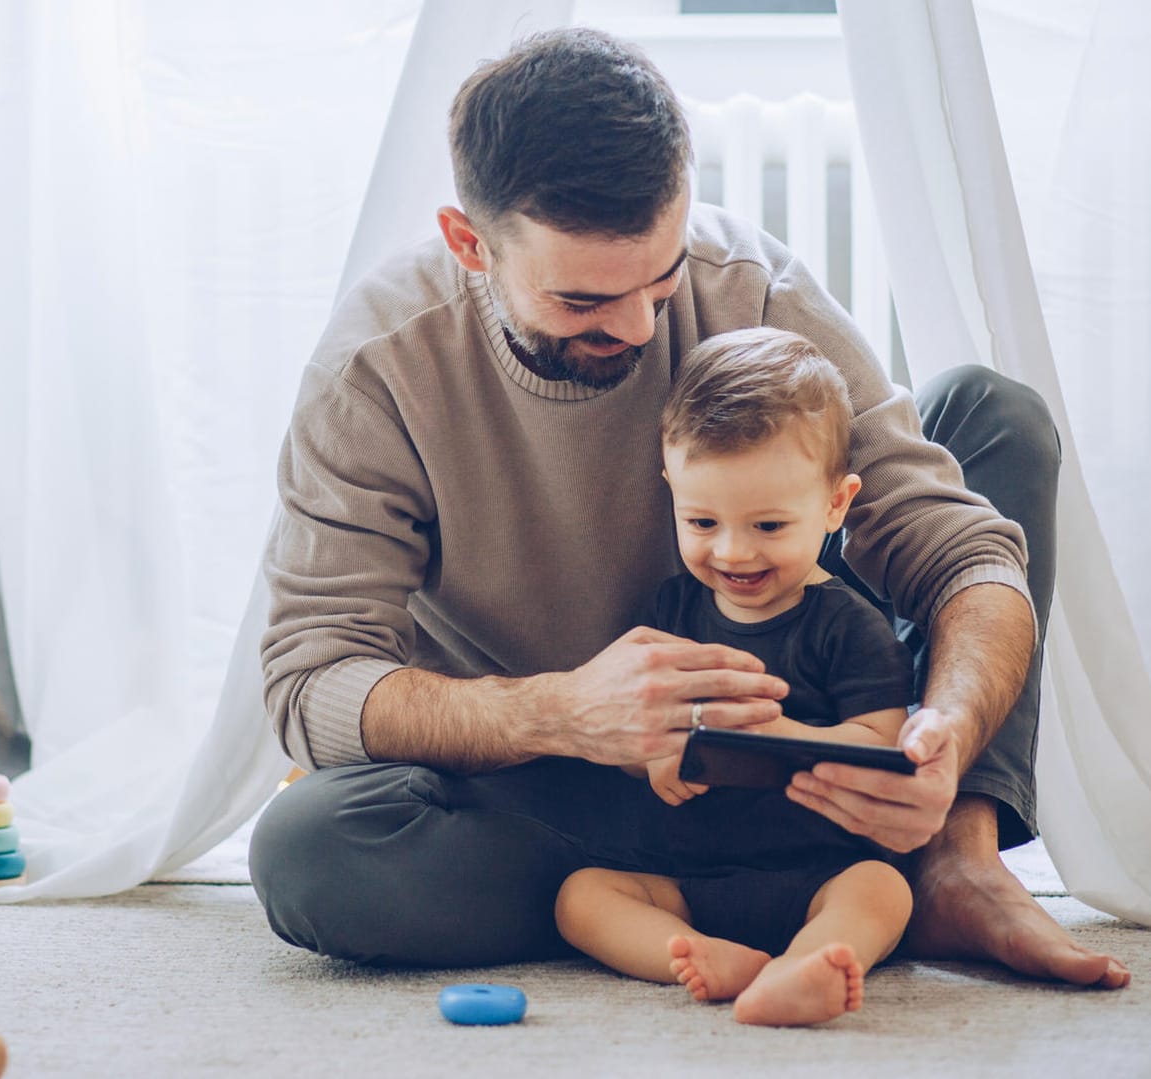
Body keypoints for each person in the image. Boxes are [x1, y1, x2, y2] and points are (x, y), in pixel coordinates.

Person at [250, 28, 1129, 988]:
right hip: (568, 793)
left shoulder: (752, 289)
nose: (638, 326)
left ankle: (952, 857)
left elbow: (961, 555)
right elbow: (312, 678)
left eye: (661, 280)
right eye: (584, 300)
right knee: (309, 851)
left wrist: (945, 735)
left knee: (994, 415)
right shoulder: (377, 369)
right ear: (471, 244)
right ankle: (718, 897)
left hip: (808, 769)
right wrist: (563, 711)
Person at [555, 327, 917, 1026]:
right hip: (691, 878)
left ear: (836, 505)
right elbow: (635, 724)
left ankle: (809, 962)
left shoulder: (847, 624)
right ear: (671, 490)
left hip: (821, 870)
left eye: (770, 525)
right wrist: (652, 757)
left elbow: (885, 748)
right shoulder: (672, 610)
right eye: (702, 520)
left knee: (884, 892)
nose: (732, 550)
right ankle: (706, 956)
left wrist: (784, 737)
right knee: (581, 895)